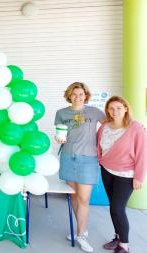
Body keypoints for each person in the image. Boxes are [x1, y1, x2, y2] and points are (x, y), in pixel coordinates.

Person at [54, 82, 105, 252]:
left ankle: (82, 235)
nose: (78, 97)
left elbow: (110, 126)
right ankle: (80, 230)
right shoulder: (61, 113)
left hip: (88, 160)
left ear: (86, 95)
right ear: (69, 95)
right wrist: (58, 138)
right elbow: (60, 133)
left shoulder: (95, 112)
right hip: (68, 157)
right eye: (74, 94)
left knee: (84, 199)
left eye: (81, 94)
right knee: (74, 198)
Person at [96, 96, 146, 253]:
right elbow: (99, 146)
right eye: (111, 108)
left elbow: (142, 153)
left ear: (126, 109)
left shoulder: (136, 127)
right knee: (113, 208)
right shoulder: (104, 126)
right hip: (107, 170)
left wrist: (139, 176)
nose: (115, 111)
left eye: (118, 108)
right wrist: (100, 160)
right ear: (107, 111)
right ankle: (117, 236)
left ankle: (124, 245)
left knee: (118, 209)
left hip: (126, 174)